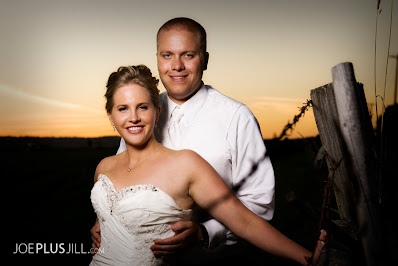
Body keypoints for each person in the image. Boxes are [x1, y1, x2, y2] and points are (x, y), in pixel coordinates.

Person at [90, 64, 326, 266]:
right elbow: (114, 218)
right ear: (110, 116)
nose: (133, 117)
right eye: (123, 108)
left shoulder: (185, 164)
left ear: (157, 111)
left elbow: (244, 221)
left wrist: (307, 258)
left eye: (142, 107)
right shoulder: (104, 168)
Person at [91, 17, 277, 262]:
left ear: (205, 60)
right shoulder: (139, 112)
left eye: (188, 55)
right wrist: (104, 222)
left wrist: (206, 232)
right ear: (157, 58)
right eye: (167, 55)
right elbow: (123, 181)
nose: (176, 65)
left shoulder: (236, 117)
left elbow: (260, 205)